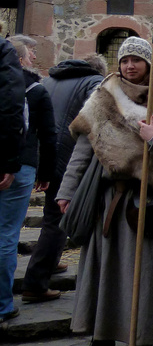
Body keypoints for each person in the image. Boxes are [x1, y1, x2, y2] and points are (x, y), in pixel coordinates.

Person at [56, 37, 153, 346]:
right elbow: (82, 153)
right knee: (103, 272)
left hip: (146, 203)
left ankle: (144, 343)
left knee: (146, 273)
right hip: (109, 200)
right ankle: (101, 340)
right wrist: (66, 192)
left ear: (148, 65)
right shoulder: (101, 100)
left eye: (137, 60)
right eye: (124, 61)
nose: (129, 66)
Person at [22, 54, 106, 303]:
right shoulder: (95, 82)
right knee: (58, 220)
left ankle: (52, 260)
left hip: (44, 154)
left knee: (52, 214)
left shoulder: (49, 80)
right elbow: (96, 116)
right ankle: (35, 282)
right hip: (70, 156)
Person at [4, 38, 58, 309]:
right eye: (31, 53)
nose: (35, 56)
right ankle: (2, 303)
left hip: (18, 165)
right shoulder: (36, 90)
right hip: (20, 165)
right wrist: (46, 173)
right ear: (20, 59)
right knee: (7, 235)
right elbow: (48, 136)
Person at [0, 36, 40, 323]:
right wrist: (10, 163)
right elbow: (14, 114)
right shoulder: (8, 65)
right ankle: (2, 304)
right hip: (10, 166)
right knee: (5, 236)